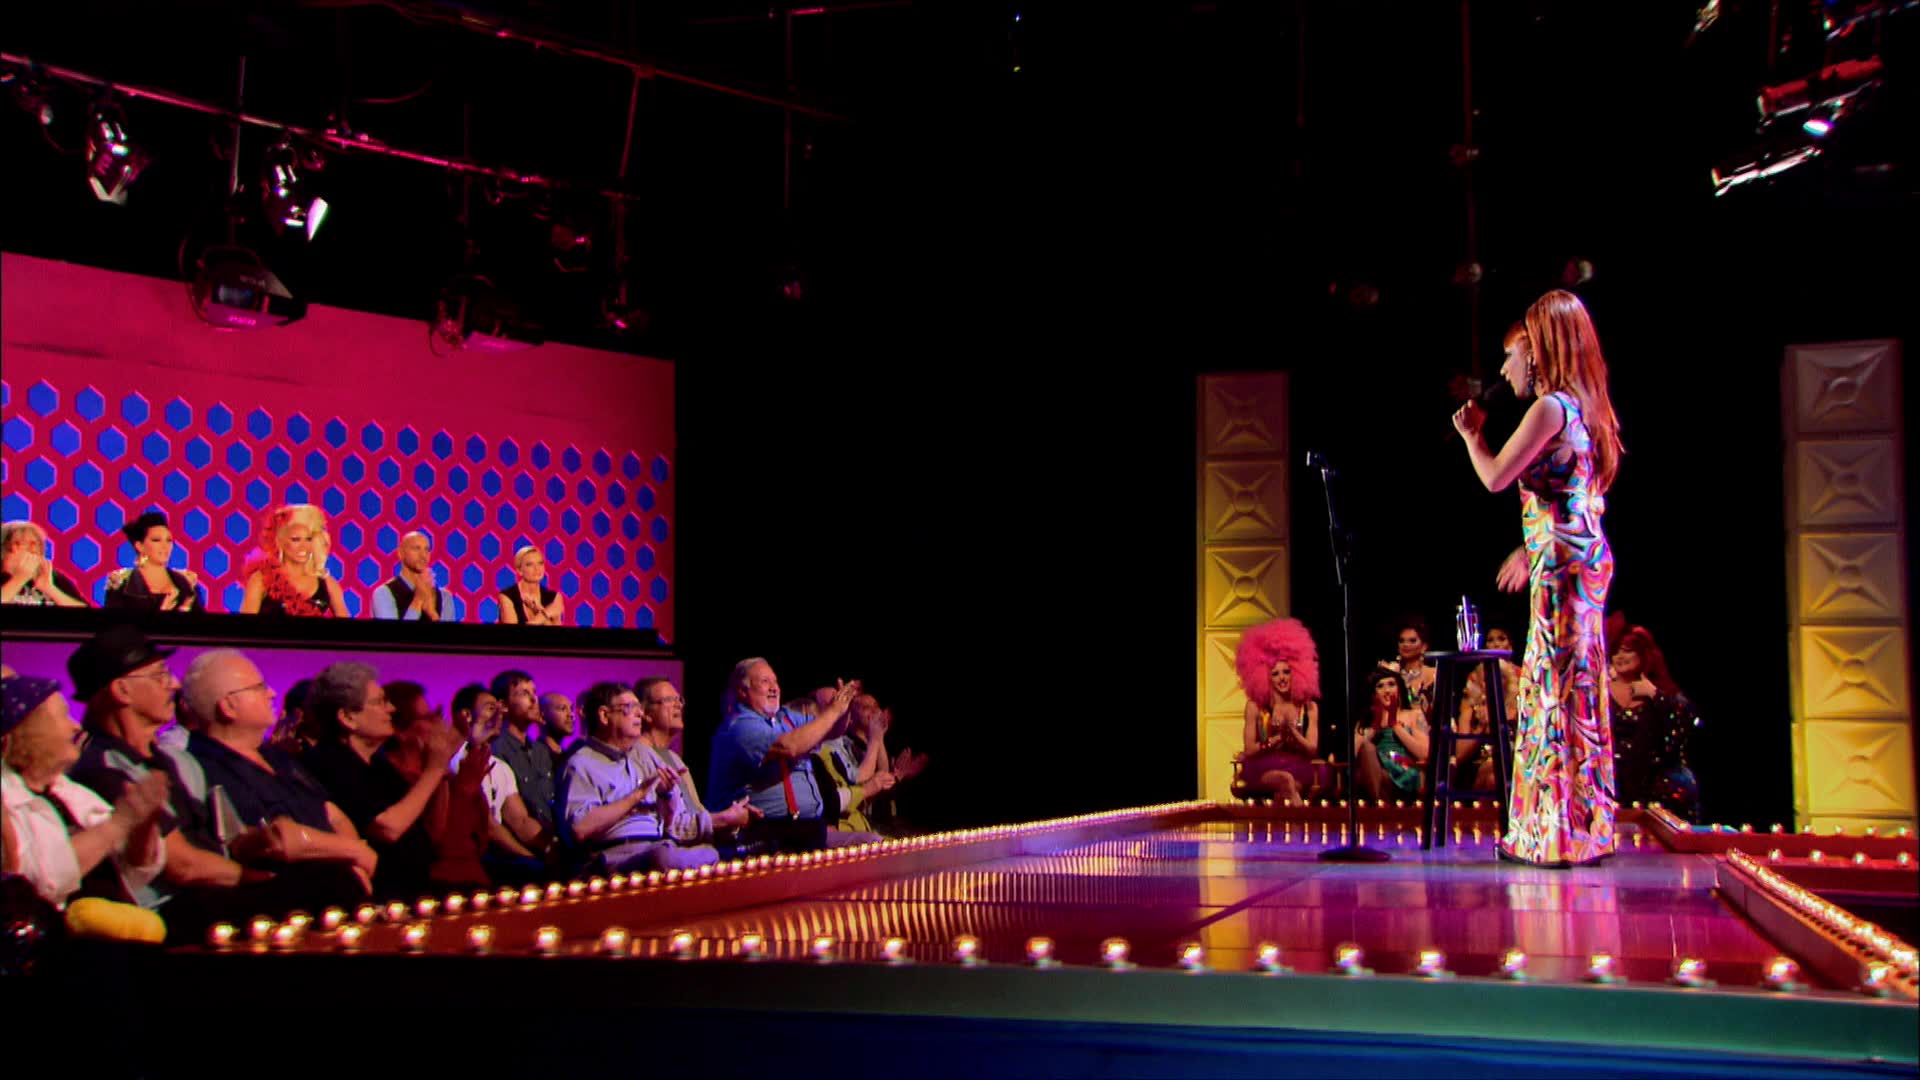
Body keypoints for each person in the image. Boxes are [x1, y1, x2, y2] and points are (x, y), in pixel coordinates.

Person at [1452, 295, 1623, 867]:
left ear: (1539, 350)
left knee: (1553, 687)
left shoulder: (1550, 407)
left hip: (1564, 568)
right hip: (1581, 558)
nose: (1506, 369)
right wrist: (1531, 549)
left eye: (1513, 355)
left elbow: (1497, 477)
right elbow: (1576, 496)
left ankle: (1552, 834)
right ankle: (1584, 826)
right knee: (1578, 688)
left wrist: (1472, 438)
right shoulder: (1584, 407)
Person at [2, 675, 167, 910]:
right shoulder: (6, 802)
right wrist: (119, 824)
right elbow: (38, 882)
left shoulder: (68, 791)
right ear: (29, 732)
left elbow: (136, 869)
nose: (76, 726)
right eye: (63, 716)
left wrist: (143, 825)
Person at [300, 663, 460, 900]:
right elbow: (388, 828)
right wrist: (433, 771)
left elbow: (431, 832)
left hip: (415, 887)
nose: (391, 709)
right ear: (347, 717)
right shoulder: (329, 762)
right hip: (379, 896)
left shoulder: (378, 764)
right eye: (380, 702)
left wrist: (440, 769)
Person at [557, 682, 716, 872]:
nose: (639, 713)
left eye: (639, 707)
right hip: (614, 855)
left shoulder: (640, 759)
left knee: (711, 854)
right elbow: (580, 828)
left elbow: (668, 825)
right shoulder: (581, 764)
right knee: (662, 857)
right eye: (630, 707)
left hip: (657, 845)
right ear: (604, 715)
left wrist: (666, 795)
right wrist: (637, 795)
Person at [709, 658, 863, 851]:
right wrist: (833, 711)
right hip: (763, 836)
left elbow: (830, 731)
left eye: (775, 681)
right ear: (742, 690)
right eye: (765, 681)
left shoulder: (786, 718)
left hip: (807, 831)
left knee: (871, 848)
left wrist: (844, 708)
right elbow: (790, 747)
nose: (774, 688)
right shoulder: (739, 726)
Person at [635, 677, 758, 847]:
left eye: (679, 699)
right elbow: (666, 825)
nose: (678, 705)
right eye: (668, 700)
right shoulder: (637, 757)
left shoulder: (674, 758)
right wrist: (723, 818)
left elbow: (696, 815)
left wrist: (733, 819)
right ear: (646, 713)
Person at [447, 684, 552, 881]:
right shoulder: (454, 761)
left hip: (494, 853)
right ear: (467, 715)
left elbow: (520, 821)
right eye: (490, 708)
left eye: (499, 709)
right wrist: (528, 857)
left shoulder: (500, 767)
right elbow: (489, 826)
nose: (499, 714)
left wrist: (550, 846)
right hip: (469, 855)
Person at [1608, 626, 1703, 822]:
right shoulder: (1599, 692)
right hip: (1611, 784)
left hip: (1654, 787)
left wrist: (1654, 695)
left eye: (1627, 651)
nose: (1620, 657)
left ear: (1643, 655)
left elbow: (1685, 725)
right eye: (1616, 652)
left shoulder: (1662, 692)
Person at [1232, 618, 1323, 805]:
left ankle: (1286, 821)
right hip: (1263, 768)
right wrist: (1275, 740)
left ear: (1297, 672)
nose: (1282, 678)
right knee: (1285, 780)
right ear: (1265, 678)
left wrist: (1293, 733)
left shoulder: (1308, 707)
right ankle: (1302, 820)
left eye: (1286, 672)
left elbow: (1312, 749)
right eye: (1275, 673)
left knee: (1289, 788)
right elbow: (1249, 749)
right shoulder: (1256, 707)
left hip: (1299, 768)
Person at [238, 504, 351, 618]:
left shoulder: (328, 584)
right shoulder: (260, 580)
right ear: (280, 542)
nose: (303, 546)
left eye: (308, 539)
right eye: (296, 539)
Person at [489, 670, 557, 831]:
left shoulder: (541, 750)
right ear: (504, 705)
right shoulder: (496, 749)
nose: (534, 700)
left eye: (534, 692)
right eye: (524, 694)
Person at [102, 511, 205, 612]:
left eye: (169, 540)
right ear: (139, 546)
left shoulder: (187, 582)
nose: (165, 546)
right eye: (156, 540)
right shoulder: (120, 583)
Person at [1353, 667, 1430, 801]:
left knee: (1383, 775)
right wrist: (1374, 728)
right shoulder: (1366, 721)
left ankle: (1377, 804)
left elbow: (1424, 754)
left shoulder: (1413, 715)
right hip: (1376, 772)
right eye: (1380, 686)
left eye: (1391, 684)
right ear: (1373, 694)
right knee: (1367, 748)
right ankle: (1378, 801)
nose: (1387, 690)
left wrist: (1395, 725)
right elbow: (1353, 754)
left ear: (1399, 689)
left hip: (1404, 770)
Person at [369, 531, 455, 621]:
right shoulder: (384, 593)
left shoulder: (444, 596)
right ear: (400, 553)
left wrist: (432, 614)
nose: (423, 555)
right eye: (416, 549)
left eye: (426, 549)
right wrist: (418, 601)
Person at [1, 520, 89, 607]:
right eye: (29, 544)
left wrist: (49, 588)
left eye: (38, 544)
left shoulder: (52, 577)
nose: (34, 550)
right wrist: (19, 578)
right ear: (12, 547)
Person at [496, 546, 564, 626]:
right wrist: (545, 614)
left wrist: (539, 610)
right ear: (519, 570)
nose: (537, 568)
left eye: (540, 563)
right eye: (529, 564)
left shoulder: (555, 597)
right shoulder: (506, 596)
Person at [1383, 619, 1436, 717]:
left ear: (1424, 646)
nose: (1406, 645)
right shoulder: (1389, 673)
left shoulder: (1433, 674)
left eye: (1412, 641)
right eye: (1401, 641)